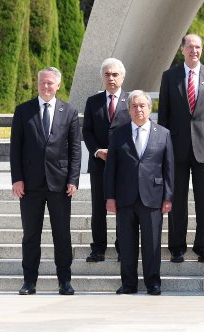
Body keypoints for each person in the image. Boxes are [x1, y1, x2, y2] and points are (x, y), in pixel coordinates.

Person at [9, 67, 81, 295]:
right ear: (37, 83)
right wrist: (17, 179)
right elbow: (15, 149)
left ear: (58, 85)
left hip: (60, 185)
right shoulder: (23, 111)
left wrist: (73, 179)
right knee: (31, 235)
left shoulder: (69, 112)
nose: (46, 86)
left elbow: (75, 151)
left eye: (50, 83)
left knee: (62, 235)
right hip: (30, 185)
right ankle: (29, 282)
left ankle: (65, 281)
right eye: (42, 82)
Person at [158, 33, 204, 263]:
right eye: (190, 47)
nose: (194, 51)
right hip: (176, 147)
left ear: (201, 50)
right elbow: (164, 117)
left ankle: (203, 246)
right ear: (182, 50)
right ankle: (177, 247)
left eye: (198, 47)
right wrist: (162, 148)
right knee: (177, 198)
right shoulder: (169, 77)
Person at [105, 91, 174, 295]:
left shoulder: (163, 133)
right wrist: (110, 196)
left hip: (153, 196)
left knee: (152, 243)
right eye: (134, 106)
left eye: (142, 105)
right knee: (127, 244)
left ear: (149, 108)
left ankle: (153, 283)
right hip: (125, 197)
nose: (138, 109)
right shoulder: (118, 134)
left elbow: (169, 168)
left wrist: (168, 197)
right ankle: (129, 284)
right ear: (129, 110)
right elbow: (110, 168)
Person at [82, 58, 130, 263]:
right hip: (99, 164)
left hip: (124, 165)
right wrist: (97, 151)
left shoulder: (131, 100)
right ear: (102, 77)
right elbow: (87, 131)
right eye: (107, 74)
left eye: (115, 74)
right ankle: (98, 248)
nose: (111, 78)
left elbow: (136, 130)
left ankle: (123, 247)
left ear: (122, 77)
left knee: (122, 206)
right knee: (98, 207)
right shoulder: (93, 101)